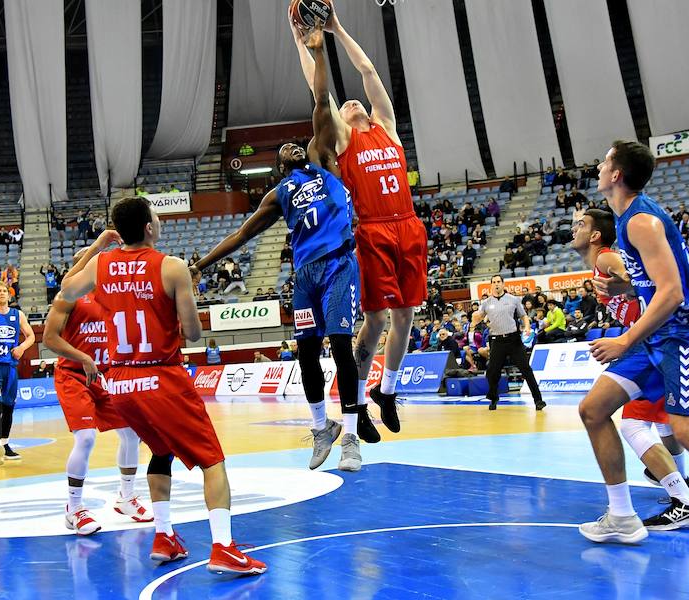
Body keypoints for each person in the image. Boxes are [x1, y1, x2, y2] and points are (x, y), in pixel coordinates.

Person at [193, 24, 371, 472]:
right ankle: (320, 427)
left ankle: (350, 437)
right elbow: (240, 236)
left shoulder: (323, 161)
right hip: (305, 275)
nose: (293, 145)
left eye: (297, 143)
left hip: (338, 265)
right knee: (307, 351)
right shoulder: (279, 195)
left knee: (340, 345)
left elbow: (319, 101)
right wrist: (201, 263)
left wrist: (319, 50)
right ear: (278, 165)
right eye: (285, 148)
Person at [58, 196, 267, 575]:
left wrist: (97, 248)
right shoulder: (171, 267)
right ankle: (223, 547)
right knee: (212, 461)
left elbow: (66, 289)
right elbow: (192, 333)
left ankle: (164, 536)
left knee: (160, 451)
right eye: (156, 218)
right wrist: (182, 293)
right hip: (161, 377)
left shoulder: (102, 265)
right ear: (150, 227)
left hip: (119, 383)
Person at [579, 141, 689, 566]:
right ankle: (621, 517)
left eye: (605, 160)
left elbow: (673, 292)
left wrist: (624, 340)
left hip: (684, 335)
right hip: (659, 336)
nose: (599, 165)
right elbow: (658, 282)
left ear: (616, 174)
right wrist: (627, 288)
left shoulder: (641, 222)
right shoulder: (626, 221)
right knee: (593, 409)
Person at [291, 7, 428, 436]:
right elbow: (321, 92)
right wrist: (302, 40)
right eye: (346, 105)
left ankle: (388, 390)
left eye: (357, 102)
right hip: (371, 230)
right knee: (377, 319)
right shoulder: (346, 140)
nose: (351, 102)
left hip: (408, 225)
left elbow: (367, 69)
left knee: (406, 315)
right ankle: (359, 401)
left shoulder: (386, 127)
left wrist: (337, 28)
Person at [571, 209, 689, 528]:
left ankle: (683, 499)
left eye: (580, 224)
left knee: (629, 424)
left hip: (657, 343)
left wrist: (627, 294)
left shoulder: (604, 258)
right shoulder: (597, 264)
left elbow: (634, 278)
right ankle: (680, 483)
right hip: (657, 343)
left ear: (594, 235)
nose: (573, 229)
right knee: (664, 425)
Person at [44, 244, 152, 534]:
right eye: (86, 260)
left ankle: (126, 497)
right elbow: (49, 339)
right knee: (87, 438)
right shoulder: (67, 297)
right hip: (73, 375)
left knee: (132, 433)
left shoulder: (113, 296)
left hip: (107, 376)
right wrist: (82, 357)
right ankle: (74, 508)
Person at [0, 281, 35, 463]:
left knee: (9, 407)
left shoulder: (17, 315)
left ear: (9, 295)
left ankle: (5, 443)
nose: (2, 293)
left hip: (10, 367)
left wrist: (22, 347)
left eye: (5, 291)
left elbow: (32, 336)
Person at [471, 275, 545, 411]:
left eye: (499, 282)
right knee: (492, 372)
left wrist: (527, 327)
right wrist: (475, 319)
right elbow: (479, 317)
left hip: (513, 339)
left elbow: (523, 316)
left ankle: (538, 400)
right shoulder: (486, 303)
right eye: (494, 282)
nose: (496, 284)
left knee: (526, 370)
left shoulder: (513, 299)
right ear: (491, 285)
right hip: (496, 341)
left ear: (503, 284)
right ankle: (493, 398)